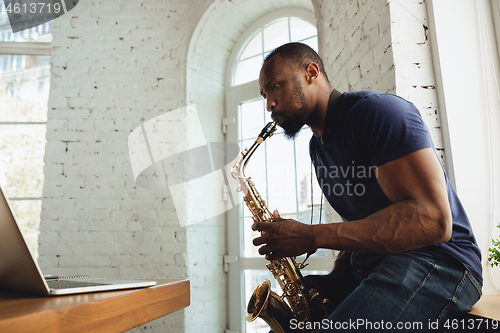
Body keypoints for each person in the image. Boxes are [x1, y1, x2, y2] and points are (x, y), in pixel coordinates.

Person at [252, 42, 482, 332]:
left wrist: (311, 235)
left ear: (311, 72)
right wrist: (333, 282)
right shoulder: (317, 148)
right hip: (380, 265)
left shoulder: (377, 112)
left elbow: (432, 220)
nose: (269, 103)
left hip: (441, 262)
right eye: (265, 94)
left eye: (275, 86)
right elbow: (362, 226)